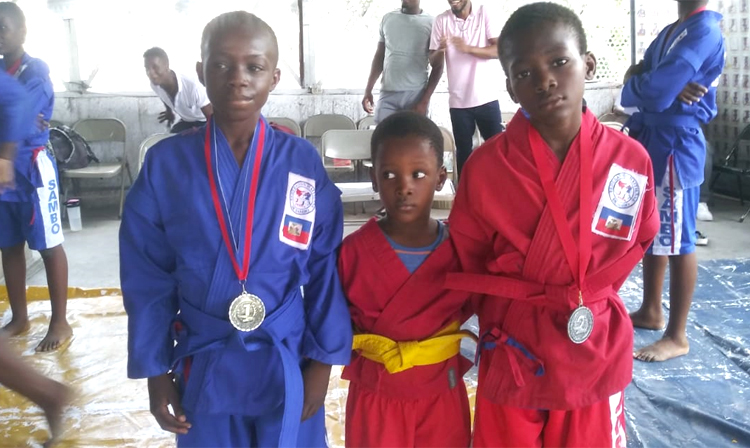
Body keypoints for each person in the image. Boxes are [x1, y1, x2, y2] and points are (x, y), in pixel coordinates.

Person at [120, 12, 352, 448]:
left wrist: (322, 362)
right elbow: (146, 277)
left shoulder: (300, 162)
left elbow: (325, 266)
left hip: (285, 359)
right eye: (222, 64)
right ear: (201, 72)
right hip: (205, 359)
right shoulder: (166, 166)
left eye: (254, 66)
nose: (238, 78)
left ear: (275, 75)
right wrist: (155, 370)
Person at [445, 4, 659, 446]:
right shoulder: (485, 167)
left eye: (559, 62)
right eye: (525, 73)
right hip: (514, 344)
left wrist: (588, 292)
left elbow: (639, 238)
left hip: (591, 341)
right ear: (509, 86)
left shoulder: (629, 160)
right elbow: (469, 255)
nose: (544, 80)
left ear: (589, 64)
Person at [339, 111, 474, 447]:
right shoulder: (352, 252)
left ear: (441, 177)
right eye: (389, 174)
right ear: (373, 178)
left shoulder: (462, 251)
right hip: (377, 396)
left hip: (442, 393)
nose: (404, 187)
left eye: (418, 174)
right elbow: (331, 321)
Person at [621, 0, 725, 362]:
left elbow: (656, 90)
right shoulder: (672, 30)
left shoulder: (704, 31)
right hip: (653, 139)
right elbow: (632, 80)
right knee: (655, 228)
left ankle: (677, 335)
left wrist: (657, 84)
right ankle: (651, 309)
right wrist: (651, 83)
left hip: (675, 146)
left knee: (679, 238)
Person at [0, 2, 72, 353]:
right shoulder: (1, 71)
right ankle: (19, 317)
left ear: (22, 31)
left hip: (31, 168)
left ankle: (60, 321)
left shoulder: (35, 69)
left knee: (47, 244)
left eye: (3, 28)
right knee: (8, 243)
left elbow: (22, 115)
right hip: (3, 168)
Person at [429, 0, 504, 179]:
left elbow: (499, 50)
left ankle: (500, 194)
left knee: (498, 150)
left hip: (487, 98)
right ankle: (465, 196)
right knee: (463, 152)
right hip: (459, 102)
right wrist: (440, 49)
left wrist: (468, 49)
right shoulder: (441, 20)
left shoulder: (484, 12)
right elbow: (433, 61)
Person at [362, 0, 444, 124]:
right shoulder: (388, 19)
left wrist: (424, 101)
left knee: (412, 141)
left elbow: (438, 66)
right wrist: (368, 90)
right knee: (383, 139)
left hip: (415, 95)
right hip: (387, 92)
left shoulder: (431, 23)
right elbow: (379, 57)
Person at [143, 47, 213, 133]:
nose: (150, 73)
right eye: (147, 68)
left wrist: (199, 133)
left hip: (204, 121)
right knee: (171, 140)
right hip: (187, 121)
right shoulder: (155, 85)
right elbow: (163, 97)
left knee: (191, 143)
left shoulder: (192, 86)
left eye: (155, 67)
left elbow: (212, 119)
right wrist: (169, 112)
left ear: (166, 65)